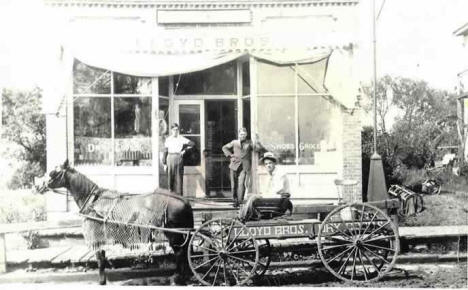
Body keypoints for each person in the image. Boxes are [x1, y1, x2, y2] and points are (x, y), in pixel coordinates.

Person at [239, 152, 293, 221]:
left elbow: (277, 190)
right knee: (252, 198)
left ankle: (246, 217)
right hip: (276, 199)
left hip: (282, 201)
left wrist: (261, 196)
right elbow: (269, 191)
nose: (268, 165)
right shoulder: (271, 174)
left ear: (274, 163)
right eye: (266, 164)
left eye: (270, 163)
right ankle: (246, 215)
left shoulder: (280, 174)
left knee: (254, 200)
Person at [222, 128, 264, 207]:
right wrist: (230, 155)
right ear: (239, 135)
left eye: (244, 135)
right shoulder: (234, 142)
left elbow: (257, 149)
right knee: (234, 184)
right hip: (234, 165)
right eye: (241, 134)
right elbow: (224, 147)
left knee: (241, 183)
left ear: (246, 135)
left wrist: (257, 141)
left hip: (244, 166)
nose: (243, 136)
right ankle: (234, 200)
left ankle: (240, 201)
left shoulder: (249, 143)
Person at [163, 123, 194, 196]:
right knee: (170, 177)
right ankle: (170, 196)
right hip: (170, 158)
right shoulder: (168, 139)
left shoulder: (181, 138)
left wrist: (184, 151)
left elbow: (192, 144)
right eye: (174, 130)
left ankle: (180, 196)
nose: (175, 131)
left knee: (179, 178)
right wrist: (164, 163)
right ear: (171, 130)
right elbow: (165, 151)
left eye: (177, 130)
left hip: (178, 158)